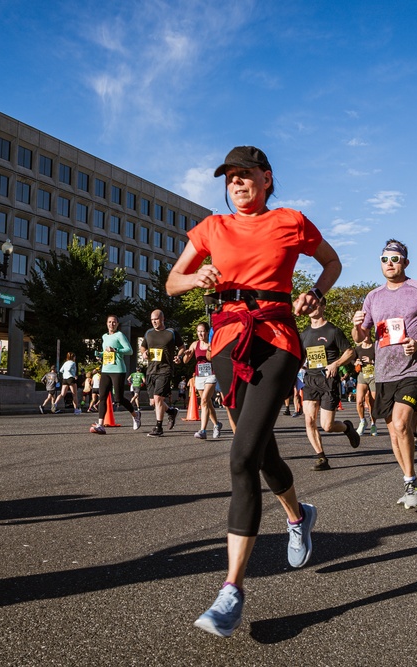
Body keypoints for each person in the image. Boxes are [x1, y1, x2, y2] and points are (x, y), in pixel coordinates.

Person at [165, 145, 338, 637]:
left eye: (246, 175)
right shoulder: (211, 228)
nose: (237, 184)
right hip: (226, 344)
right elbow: (172, 282)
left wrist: (317, 292)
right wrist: (196, 276)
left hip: (277, 338)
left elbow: (331, 261)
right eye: (230, 177)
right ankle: (299, 514)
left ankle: (231, 590)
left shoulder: (289, 220)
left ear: (266, 177)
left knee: (241, 457)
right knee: (260, 454)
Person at [352, 238, 417, 510]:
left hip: (413, 369)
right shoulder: (372, 296)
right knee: (394, 433)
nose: (390, 264)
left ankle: (410, 485)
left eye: (395, 259)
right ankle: (410, 480)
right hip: (384, 372)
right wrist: (357, 326)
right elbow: (361, 338)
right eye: (385, 259)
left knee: (401, 423)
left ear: (405, 262)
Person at [299, 298, 359, 470]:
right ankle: (321, 457)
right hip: (310, 380)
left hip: (328, 381)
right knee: (309, 420)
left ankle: (347, 427)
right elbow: (301, 355)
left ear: (323, 307)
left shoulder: (333, 331)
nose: (311, 308)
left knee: (327, 425)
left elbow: (350, 352)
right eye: (308, 305)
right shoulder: (304, 334)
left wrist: (336, 364)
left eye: (315, 304)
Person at [139, 310, 186, 437]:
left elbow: (182, 347)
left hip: (165, 369)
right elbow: (143, 347)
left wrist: (179, 357)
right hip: (151, 370)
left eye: (156, 319)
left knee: (158, 398)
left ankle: (158, 427)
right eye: (152, 319)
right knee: (154, 401)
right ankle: (171, 411)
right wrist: (143, 353)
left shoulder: (171, 332)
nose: (154, 321)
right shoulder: (149, 333)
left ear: (162, 319)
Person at [92, 314, 141, 433]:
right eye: (109, 322)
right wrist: (100, 355)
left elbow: (129, 350)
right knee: (102, 396)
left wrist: (116, 350)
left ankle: (135, 415)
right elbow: (106, 353)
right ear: (106, 323)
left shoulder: (120, 335)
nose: (111, 324)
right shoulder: (104, 336)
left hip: (118, 370)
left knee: (118, 398)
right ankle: (100, 425)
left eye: (114, 322)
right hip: (105, 369)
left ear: (117, 324)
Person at [184, 322, 223, 440]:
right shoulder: (195, 344)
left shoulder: (212, 344)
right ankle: (217, 424)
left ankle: (203, 430)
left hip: (212, 374)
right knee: (207, 403)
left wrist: (210, 349)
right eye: (198, 331)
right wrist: (186, 354)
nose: (200, 334)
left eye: (202, 331)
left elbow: (210, 358)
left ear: (207, 332)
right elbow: (185, 361)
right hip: (199, 376)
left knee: (205, 400)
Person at [354, 339, 377, 436]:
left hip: (374, 376)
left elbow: (383, 360)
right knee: (359, 401)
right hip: (362, 376)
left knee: (372, 402)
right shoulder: (357, 349)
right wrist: (356, 362)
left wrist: (371, 361)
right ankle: (362, 421)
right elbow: (352, 360)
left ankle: (373, 424)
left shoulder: (375, 346)